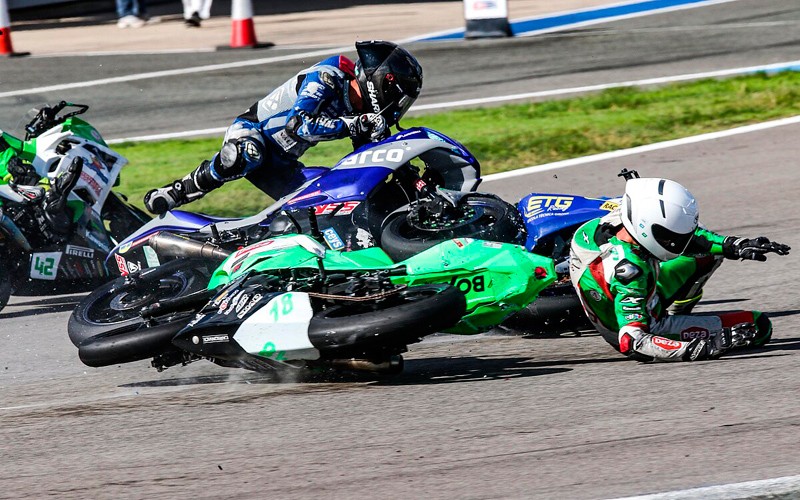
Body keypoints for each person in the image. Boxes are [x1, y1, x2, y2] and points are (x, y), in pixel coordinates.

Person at [144, 40, 423, 215]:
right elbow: (299, 126)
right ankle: (176, 192)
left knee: (326, 200)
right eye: (399, 95)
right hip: (251, 133)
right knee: (247, 155)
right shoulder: (328, 77)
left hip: (283, 165)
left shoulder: (363, 114)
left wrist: (415, 181)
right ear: (382, 82)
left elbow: (376, 155)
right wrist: (354, 124)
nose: (399, 104)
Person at [569, 175, 790, 362]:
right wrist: (694, 349)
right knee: (759, 326)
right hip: (646, 327)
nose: (682, 244)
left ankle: (680, 311)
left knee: (709, 253)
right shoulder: (630, 273)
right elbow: (633, 340)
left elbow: (694, 238)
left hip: (626, 288)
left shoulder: (615, 216)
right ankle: (675, 323)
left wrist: (733, 245)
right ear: (646, 227)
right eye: (673, 238)